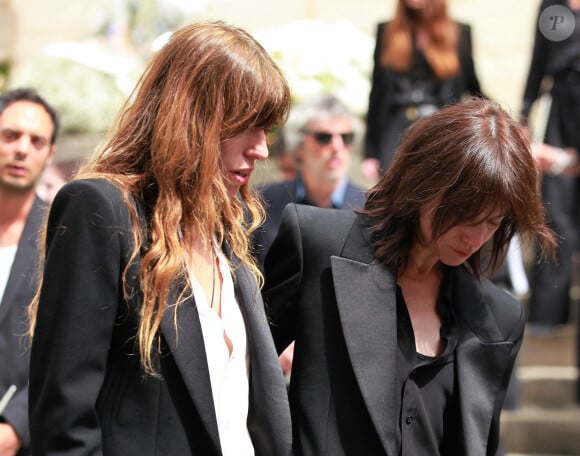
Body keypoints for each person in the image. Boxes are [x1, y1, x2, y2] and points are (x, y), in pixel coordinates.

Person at [28, 21, 292, 455]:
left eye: (268, 130)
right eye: (247, 124)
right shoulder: (102, 209)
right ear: (192, 118)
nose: (261, 149)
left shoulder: (226, 234)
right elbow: (63, 420)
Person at [263, 98, 556, 456]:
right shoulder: (320, 246)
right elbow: (241, 376)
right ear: (424, 181)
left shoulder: (499, 319)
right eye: (465, 213)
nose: (476, 238)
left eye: (493, 222)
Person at [362, 0, 482, 181]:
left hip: (440, 129)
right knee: (394, 196)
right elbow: (377, 94)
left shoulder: (459, 32)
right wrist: (369, 152)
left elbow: (473, 87)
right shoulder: (388, 31)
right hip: (396, 130)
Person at [0, 87, 58, 456]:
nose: (22, 149)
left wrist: (16, 429)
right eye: (10, 136)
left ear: (51, 154)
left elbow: (70, 346)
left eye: (37, 141)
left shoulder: (61, 234)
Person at [520, 0, 580, 332]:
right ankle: (547, 312)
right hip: (561, 104)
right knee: (555, 208)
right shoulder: (552, 6)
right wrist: (525, 114)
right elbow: (537, 62)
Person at [253, 93, 366, 267]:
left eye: (346, 137)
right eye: (323, 137)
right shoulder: (262, 201)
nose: (337, 147)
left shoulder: (372, 208)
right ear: (298, 146)